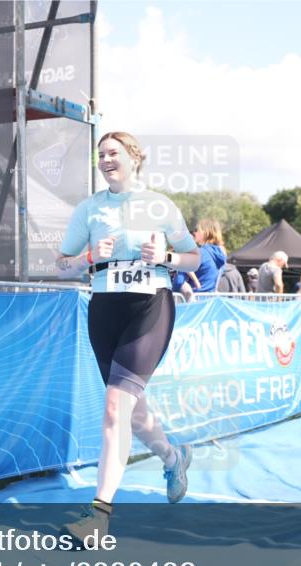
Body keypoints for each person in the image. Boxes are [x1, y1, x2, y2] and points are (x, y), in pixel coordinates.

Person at [55, 131, 201, 543]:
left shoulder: (160, 204)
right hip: (105, 310)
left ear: (135, 157)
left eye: (113, 153)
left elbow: (195, 256)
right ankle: (173, 457)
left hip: (149, 307)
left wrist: (169, 258)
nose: (105, 160)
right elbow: (62, 264)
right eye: (100, 155)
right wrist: (88, 257)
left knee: (116, 408)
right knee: (132, 413)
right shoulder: (89, 208)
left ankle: (98, 515)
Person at [171, 218, 227, 298]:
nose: (194, 233)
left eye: (197, 230)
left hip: (194, 303)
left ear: (205, 232)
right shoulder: (222, 254)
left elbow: (179, 281)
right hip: (211, 302)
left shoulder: (199, 253)